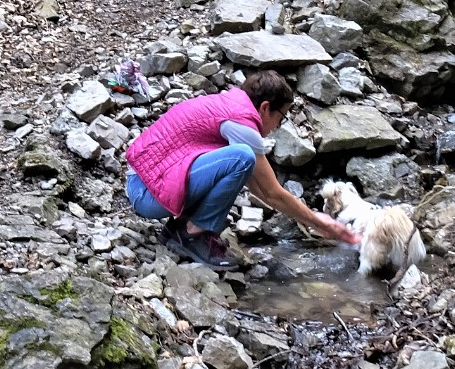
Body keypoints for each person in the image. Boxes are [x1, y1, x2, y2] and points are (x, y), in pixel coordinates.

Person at [125, 69, 359, 269]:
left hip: (144, 181)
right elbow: (271, 192)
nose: (278, 126)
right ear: (265, 108)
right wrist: (320, 223)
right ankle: (193, 234)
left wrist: (309, 219)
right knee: (243, 157)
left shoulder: (229, 105)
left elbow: (255, 184)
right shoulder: (242, 125)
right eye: (282, 117)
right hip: (146, 194)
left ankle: (180, 229)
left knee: (242, 162)